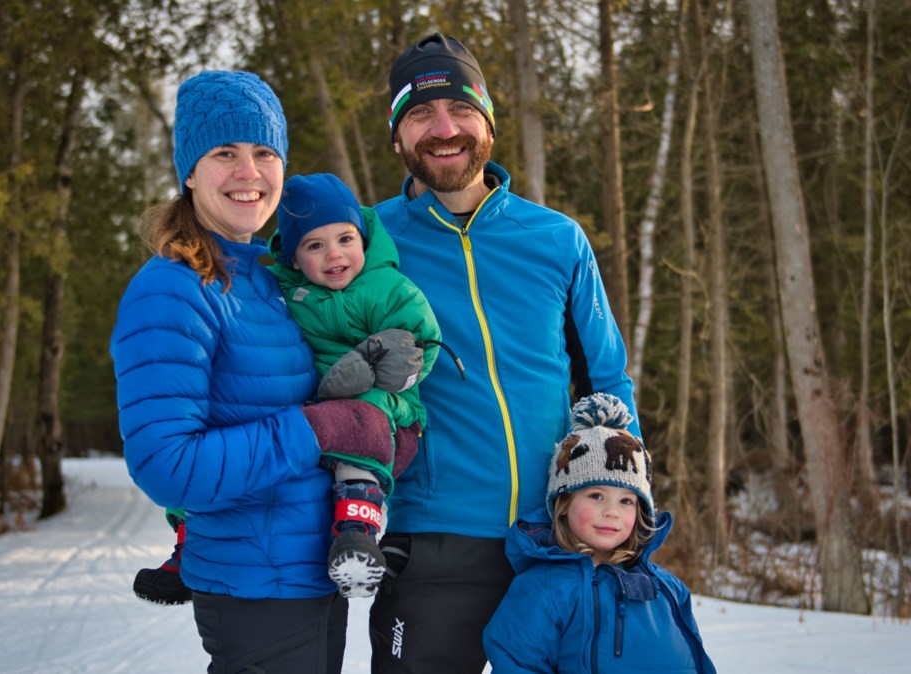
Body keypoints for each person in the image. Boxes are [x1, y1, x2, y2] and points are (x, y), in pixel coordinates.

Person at [368, 34, 643, 673]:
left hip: (560, 540)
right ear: (397, 137)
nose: (443, 129)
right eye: (419, 115)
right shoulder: (368, 243)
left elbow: (607, 380)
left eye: (460, 109)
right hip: (434, 541)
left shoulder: (555, 239)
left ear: (487, 123)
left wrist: (619, 509)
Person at [111, 69, 395, 674]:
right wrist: (318, 430)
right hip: (254, 587)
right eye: (225, 153)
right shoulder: (173, 288)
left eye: (264, 152)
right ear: (189, 172)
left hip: (312, 573)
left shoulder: (272, 281)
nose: (249, 171)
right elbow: (168, 466)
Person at [268, 172, 443, 597]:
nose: (335, 255)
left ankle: (359, 531)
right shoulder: (289, 298)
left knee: (358, 419)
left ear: (363, 239)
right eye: (315, 245)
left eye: (345, 239)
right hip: (319, 412)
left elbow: (422, 344)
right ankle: (187, 539)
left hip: (389, 416)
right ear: (293, 259)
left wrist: (372, 364)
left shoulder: (384, 287)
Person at [482, 393, 717, 673]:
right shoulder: (545, 588)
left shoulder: (668, 587)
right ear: (564, 504)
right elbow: (518, 663)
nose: (612, 512)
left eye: (626, 501)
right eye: (596, 495)